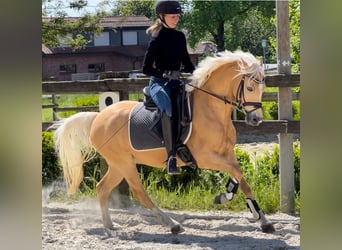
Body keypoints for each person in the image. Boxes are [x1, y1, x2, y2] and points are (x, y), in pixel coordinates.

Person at [142, 0, 195, 175]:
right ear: (162, 17)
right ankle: (171, 156)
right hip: (158, 83)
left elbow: (187, 64)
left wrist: (200, 73)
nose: (176, 19)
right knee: (167, 107)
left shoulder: (179, 37)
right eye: (173, 16)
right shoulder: (157, 38)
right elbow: (146, 68)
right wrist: (164, 74)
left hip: (176, 82)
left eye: (177, 16)